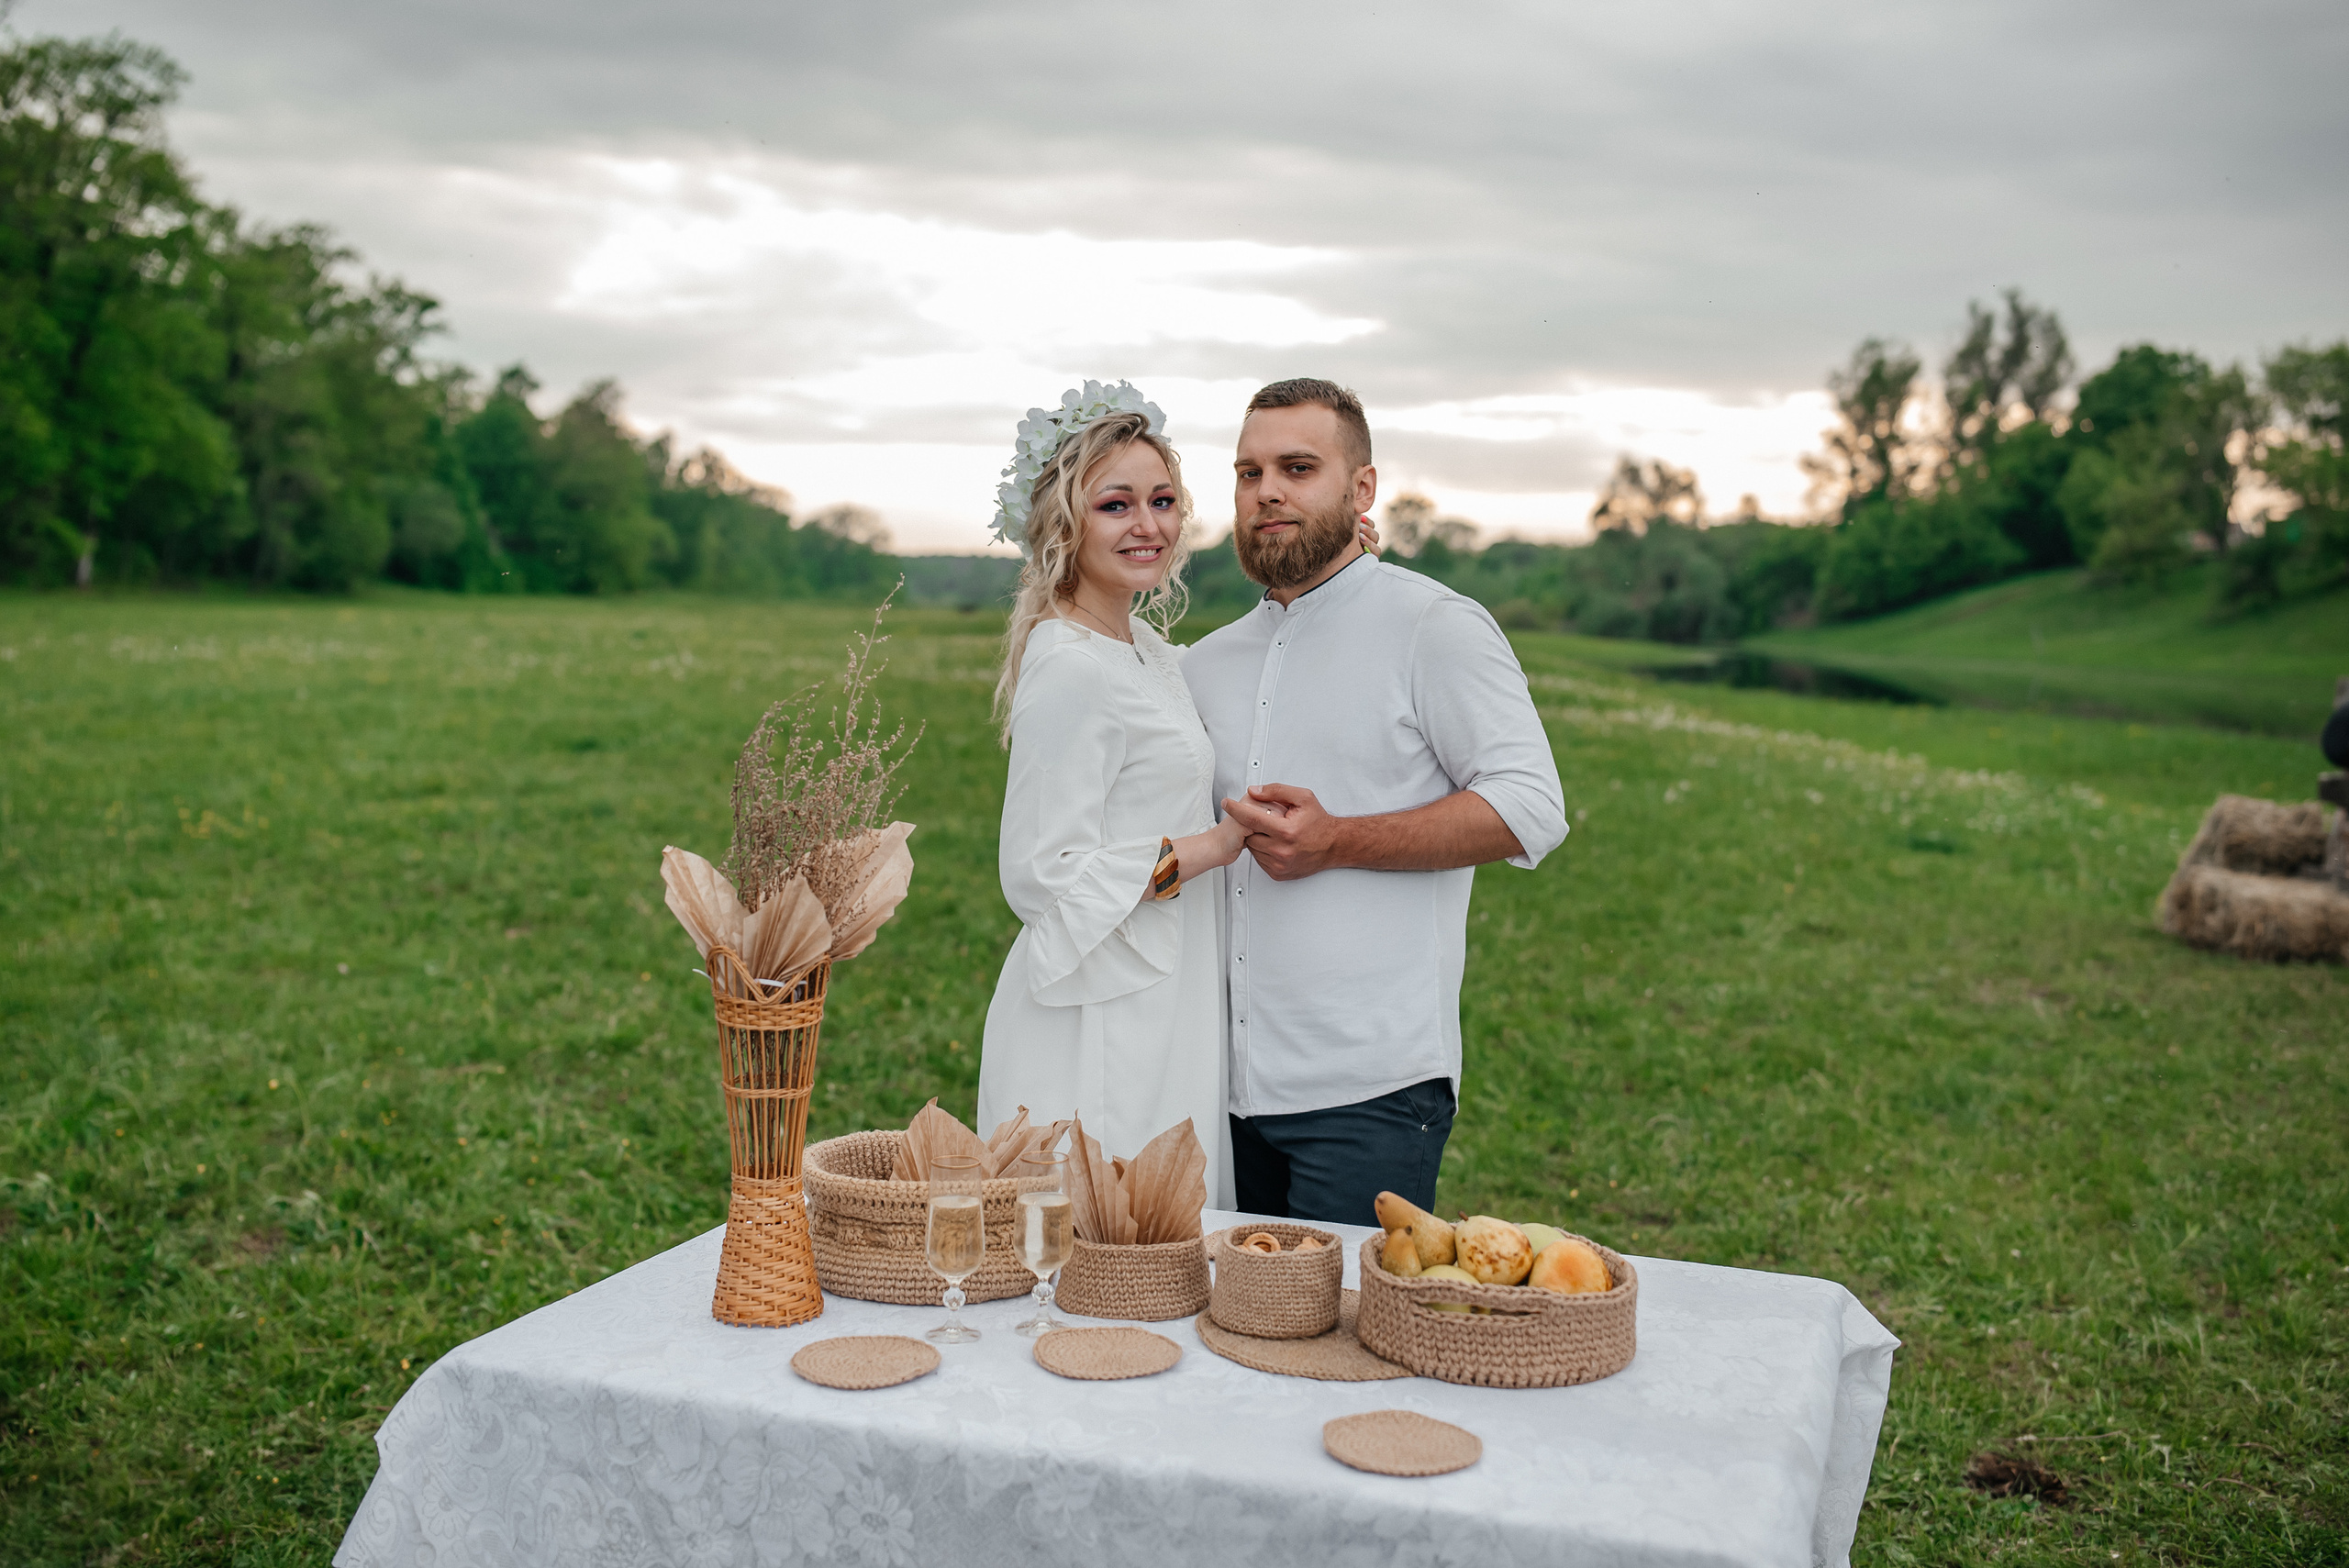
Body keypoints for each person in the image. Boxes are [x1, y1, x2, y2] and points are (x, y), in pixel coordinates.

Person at [1183, 377, 1568, 1227]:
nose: (1267, 491)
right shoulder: (1203, 662)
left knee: (1344, 1354)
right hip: (1213, 1087)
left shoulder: (1434, 626)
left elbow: (1532, 807)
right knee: (1228, 1347)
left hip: (1369, 1093)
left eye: (1297, 467)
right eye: (1248, 473)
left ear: (1362, 489)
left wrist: (1338, 839)